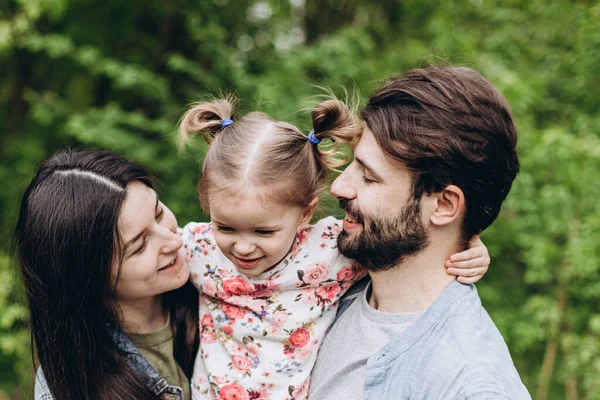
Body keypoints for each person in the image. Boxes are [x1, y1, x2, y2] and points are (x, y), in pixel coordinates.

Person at [177, 98, 492, 400]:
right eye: (226, 227)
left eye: (264, 231)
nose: (243, 247)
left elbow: (403, 243)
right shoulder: (201, 249)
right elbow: (142, 245)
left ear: (305, 213)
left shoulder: (327, 251)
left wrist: (468, 247)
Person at [308, 66, 531, 399]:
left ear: (443, 205)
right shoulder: (327, 283)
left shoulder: (471, 386)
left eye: (369, 177)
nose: (339, 186)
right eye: (353, 163)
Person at [15, 151, 199, 400]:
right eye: (140, 246)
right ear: (89, 277)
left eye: (158, 214)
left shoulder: (223, 273)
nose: (173, 241)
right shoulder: (68, 389)